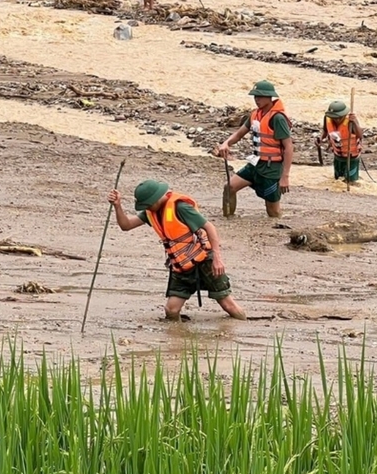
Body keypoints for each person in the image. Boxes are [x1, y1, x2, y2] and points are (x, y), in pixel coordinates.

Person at [108, 180, 246, 321]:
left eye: (148, 204)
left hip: (205, 261)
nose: (147, 208)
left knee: (229, 306)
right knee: (171, 310)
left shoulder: (181, 208)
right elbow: (126, 225)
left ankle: (242, 327)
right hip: (182, 266)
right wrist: (117, 206)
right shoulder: (151, 212)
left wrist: (217, 258)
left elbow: (210, 228)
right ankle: (178, 338)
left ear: (156, 198)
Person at [214, 80, 293, 218]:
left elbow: (288, 147)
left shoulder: (278, 118)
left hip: (271, 168)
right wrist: (226, 143)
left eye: (261, 96)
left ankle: (278, 231)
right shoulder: (255, 114)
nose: (257, 99)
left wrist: (285, 176)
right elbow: (239, 134)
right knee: (229, 187)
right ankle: (229, 218)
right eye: (255, 96)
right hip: (255, 163)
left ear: (270, 97)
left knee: (273, 211)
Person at [319, 100, 363, 183]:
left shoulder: (350, 121)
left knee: (350, 181)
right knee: (337, 180)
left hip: (351, 156)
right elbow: (325, 131)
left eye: (340, 117)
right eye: (335, 117)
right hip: (338, 155)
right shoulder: (327, 118)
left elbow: (360, 135)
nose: (337, 119)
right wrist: (321, 139)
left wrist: (354, 123)